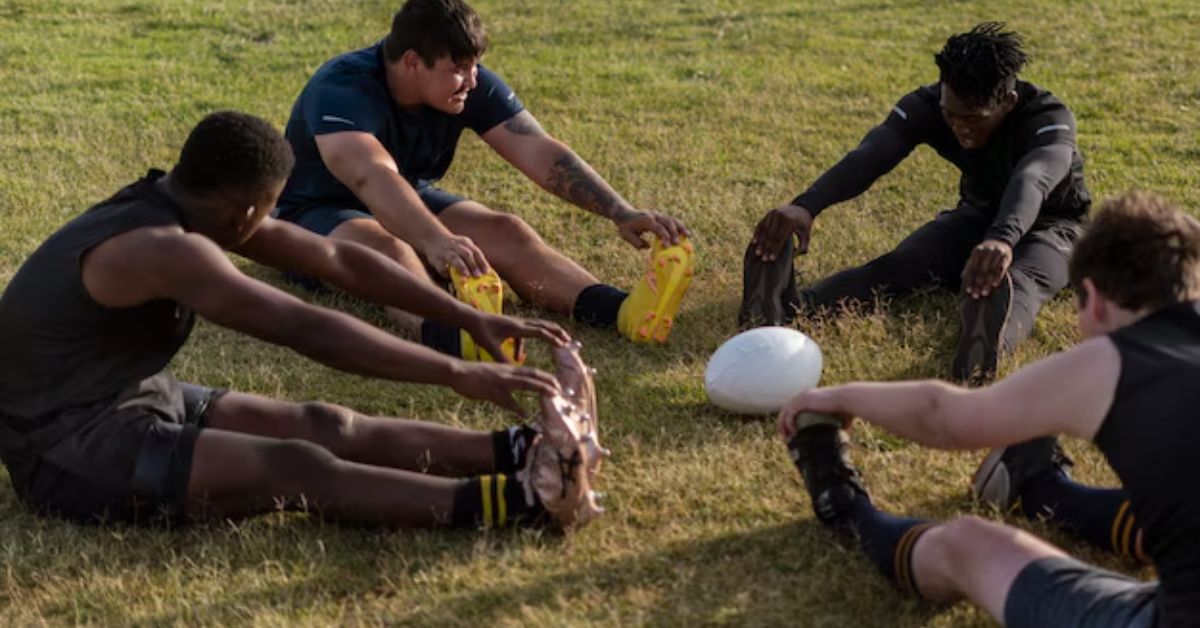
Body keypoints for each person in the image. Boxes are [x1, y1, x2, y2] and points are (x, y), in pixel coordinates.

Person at [0, 111, 603, 531]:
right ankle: (524, 501)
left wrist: (465, 316)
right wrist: (452, 371)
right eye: (267, 208)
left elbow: (336, 258)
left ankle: (518, 448)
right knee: (297, 469)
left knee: (323, 423)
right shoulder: (165, 249)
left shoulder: (187, 204)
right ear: (246, 208)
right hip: (65, 449)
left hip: (120, 397)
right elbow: (303, 326)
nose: (267, 222)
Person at [777, 192, 1199, 626]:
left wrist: (840, 396)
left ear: (1092, 298)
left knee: (968, 543)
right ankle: (1044, 491)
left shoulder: (1112, 361)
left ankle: (848, 512)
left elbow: (946, 419)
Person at [275, 0, 694, 352]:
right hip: (317, 213)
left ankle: (620, 312)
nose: (472, 80)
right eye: (459, 68)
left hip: (409, 197)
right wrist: (434, 241)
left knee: (507, 231)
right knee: (389, 250)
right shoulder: (341, 89)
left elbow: (538, 150)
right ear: (412, 62)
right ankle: (454, 337)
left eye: (476, 66)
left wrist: (619, 211)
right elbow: (370, 175)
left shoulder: (466, 83)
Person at [743, 22, 1090, 382]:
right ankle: (794, 305)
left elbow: (1033, 178)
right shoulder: (931, 105)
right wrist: (806, 205)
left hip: (1055, 228)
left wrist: (1003, 238)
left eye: (973, 119)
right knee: (901, 264)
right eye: (950, 115)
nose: (959, 127)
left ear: (1008, 101)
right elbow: (873, 153)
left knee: (1022, 282)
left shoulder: (1048, 118)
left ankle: (985, 345)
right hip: (976, 218)